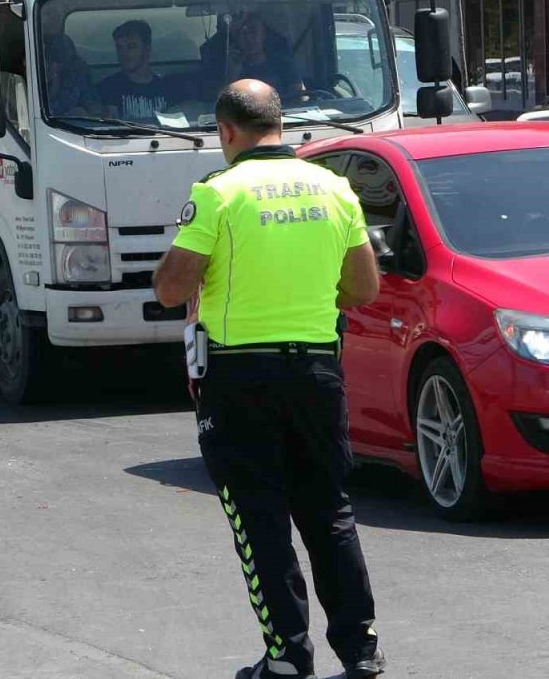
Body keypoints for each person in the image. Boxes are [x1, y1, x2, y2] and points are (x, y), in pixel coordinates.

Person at [152, 80, 384, 679]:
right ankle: (360, 651)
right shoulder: (335, 188)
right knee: (329, 510)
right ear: (280, 124)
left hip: (240, 375)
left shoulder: (217, 195)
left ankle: (286, 656)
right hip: (316, 369)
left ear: (227, 132)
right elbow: (363, 288)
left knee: (258, 513)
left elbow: (171, 287)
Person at [98, 20, 175, 121]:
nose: (124, 53)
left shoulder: (168, 88)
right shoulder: (108, 88)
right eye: (119, 48)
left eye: (131, 46)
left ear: (147, 49)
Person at [231, 12, 304, 95]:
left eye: (253, 31)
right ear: (237, 39)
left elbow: (298, 98)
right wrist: (234, 70)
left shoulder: (284, 65)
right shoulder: (234, 69)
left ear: (263, 35)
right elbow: (225, 97)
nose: (249, 38)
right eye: (244, 33)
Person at [44, 33, 99, 116]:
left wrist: (88, 110)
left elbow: (91, 102)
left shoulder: (77, 76)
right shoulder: (36, 81)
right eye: (54, 56)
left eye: (63, 54)